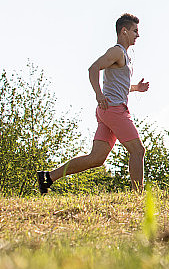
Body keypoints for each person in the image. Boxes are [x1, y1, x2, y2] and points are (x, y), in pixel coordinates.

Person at [37, 13, 150, 194]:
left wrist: (137, 88)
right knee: (138, 150)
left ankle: (48, 177)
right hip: (114, 110)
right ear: (124, 31)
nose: (138, 35)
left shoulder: (125, 55)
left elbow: (119, 85)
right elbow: (93, 68)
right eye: (135, 31)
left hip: (107, 111)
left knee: (96, 158)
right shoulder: (116, 52)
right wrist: (98, 94)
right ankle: (138, 195)